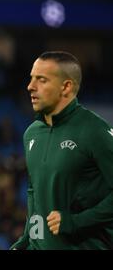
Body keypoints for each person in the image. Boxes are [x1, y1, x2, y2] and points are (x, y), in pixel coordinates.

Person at [12, 51, 113, 249]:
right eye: (32, 78)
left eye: (41, 80)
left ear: (65, 87)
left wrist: (76, 221)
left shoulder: (94, 131)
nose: (30, 86)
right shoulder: (31, 134)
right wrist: (25, 242)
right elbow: (35, 195)